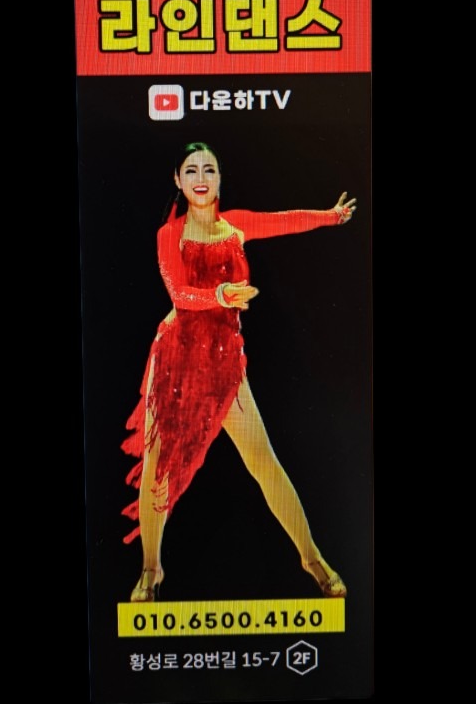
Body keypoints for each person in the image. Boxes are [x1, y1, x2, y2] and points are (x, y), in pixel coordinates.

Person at [121, 142, 356, 602]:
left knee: (264, 462)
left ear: (220, 178)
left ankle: (313, 559)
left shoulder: (236, 226)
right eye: (191, 170)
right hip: (175, 364)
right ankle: (150, 569)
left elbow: (284, 220)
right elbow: (179, 294)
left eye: (209, 169)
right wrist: (220, 295)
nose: (200, 177)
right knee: (157, 465)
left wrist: (329, 216)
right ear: (178, 180)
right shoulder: (169, 235)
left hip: (224, 364)